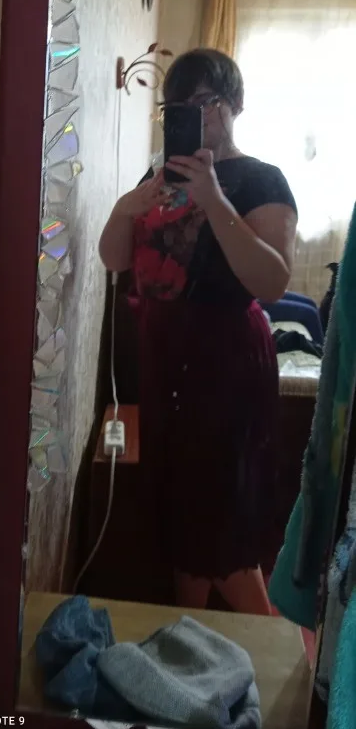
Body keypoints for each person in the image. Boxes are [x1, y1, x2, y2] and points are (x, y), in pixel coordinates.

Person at [99, 49, 297, 613]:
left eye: (206, 102)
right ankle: (187, 641)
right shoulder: (159, 175)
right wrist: (125, 209)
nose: (193, 114)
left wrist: (213, 199)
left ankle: (278, 652)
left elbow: (272, 281)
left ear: (236, 105)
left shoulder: (262, 180)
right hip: (165, 358)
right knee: (182, 520)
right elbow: (115, 259)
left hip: (226, 362)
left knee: (222, 526)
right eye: (178, 107)